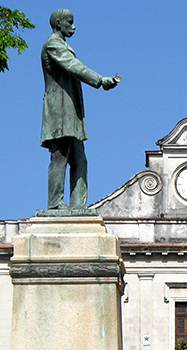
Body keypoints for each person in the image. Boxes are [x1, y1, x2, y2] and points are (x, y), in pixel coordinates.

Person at [40, 9, 119, 209]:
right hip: (59, 110)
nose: (73, 27)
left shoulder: (62, 45)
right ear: (59, 23)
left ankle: (78, 207)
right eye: (70, 22)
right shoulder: (53, 45)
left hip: (71, 113)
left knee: (80, 160)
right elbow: (74, 66)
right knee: (60, 156)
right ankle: (55, 203)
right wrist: (100, 80)